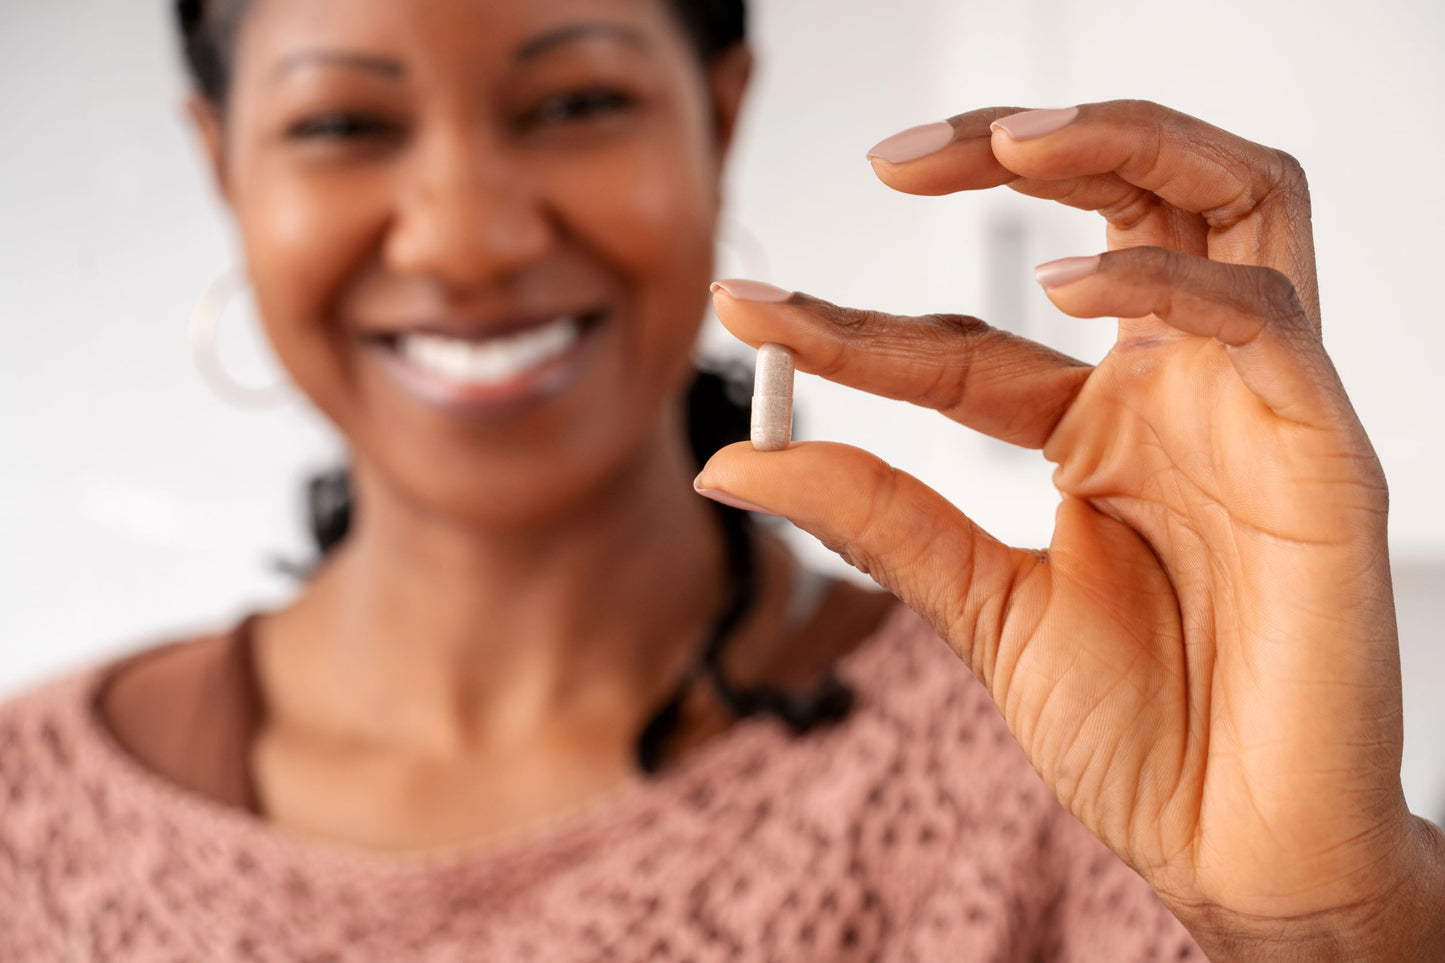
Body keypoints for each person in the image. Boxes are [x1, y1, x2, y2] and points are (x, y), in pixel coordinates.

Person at [0, 0, 1440, 959]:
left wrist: (1335, 925)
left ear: (720, 112)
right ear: (222, 162)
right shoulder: (28, 824)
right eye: (341, 125)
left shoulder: (1066, 795)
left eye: (571, 101)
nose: (467, 235)